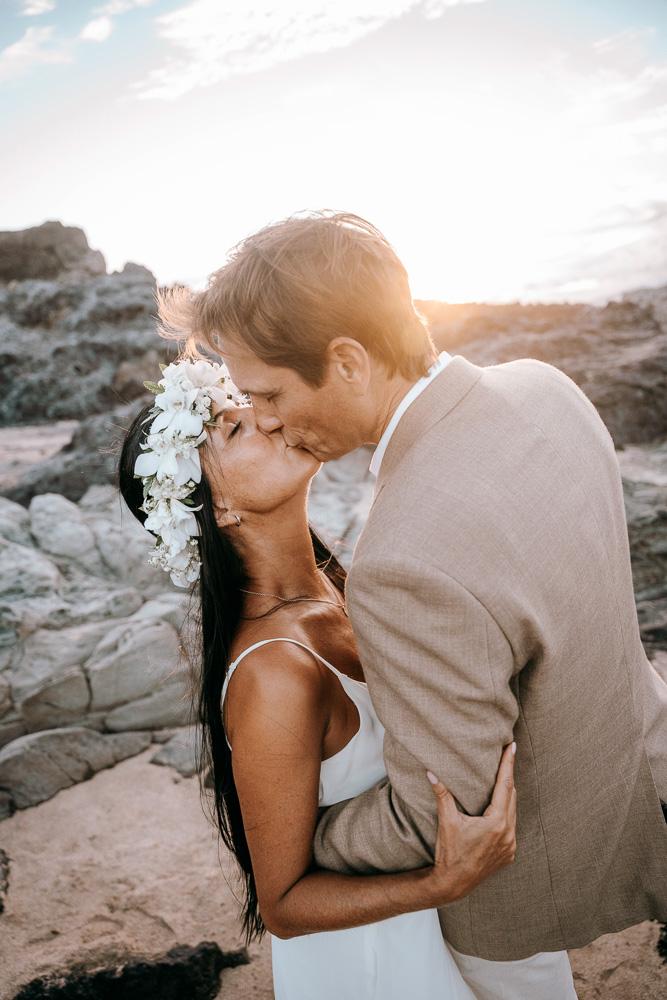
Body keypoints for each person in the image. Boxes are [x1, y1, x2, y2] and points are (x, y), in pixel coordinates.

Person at [156, 211, 667, 1000]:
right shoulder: (548, 387)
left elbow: (439, 816)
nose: (262, 416)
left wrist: (302, 838)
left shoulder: (401, 561)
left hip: (509, 907)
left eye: (266, 392)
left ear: (348, 362)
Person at [118, 357, 517, 1000]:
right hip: (378, 964)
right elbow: (282, 904)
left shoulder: (341, 591)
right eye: (234, 429)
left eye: (255, 402)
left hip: (451, 923)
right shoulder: (273, 672)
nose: (270, 417)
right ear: (216, 507)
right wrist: (443, 882)